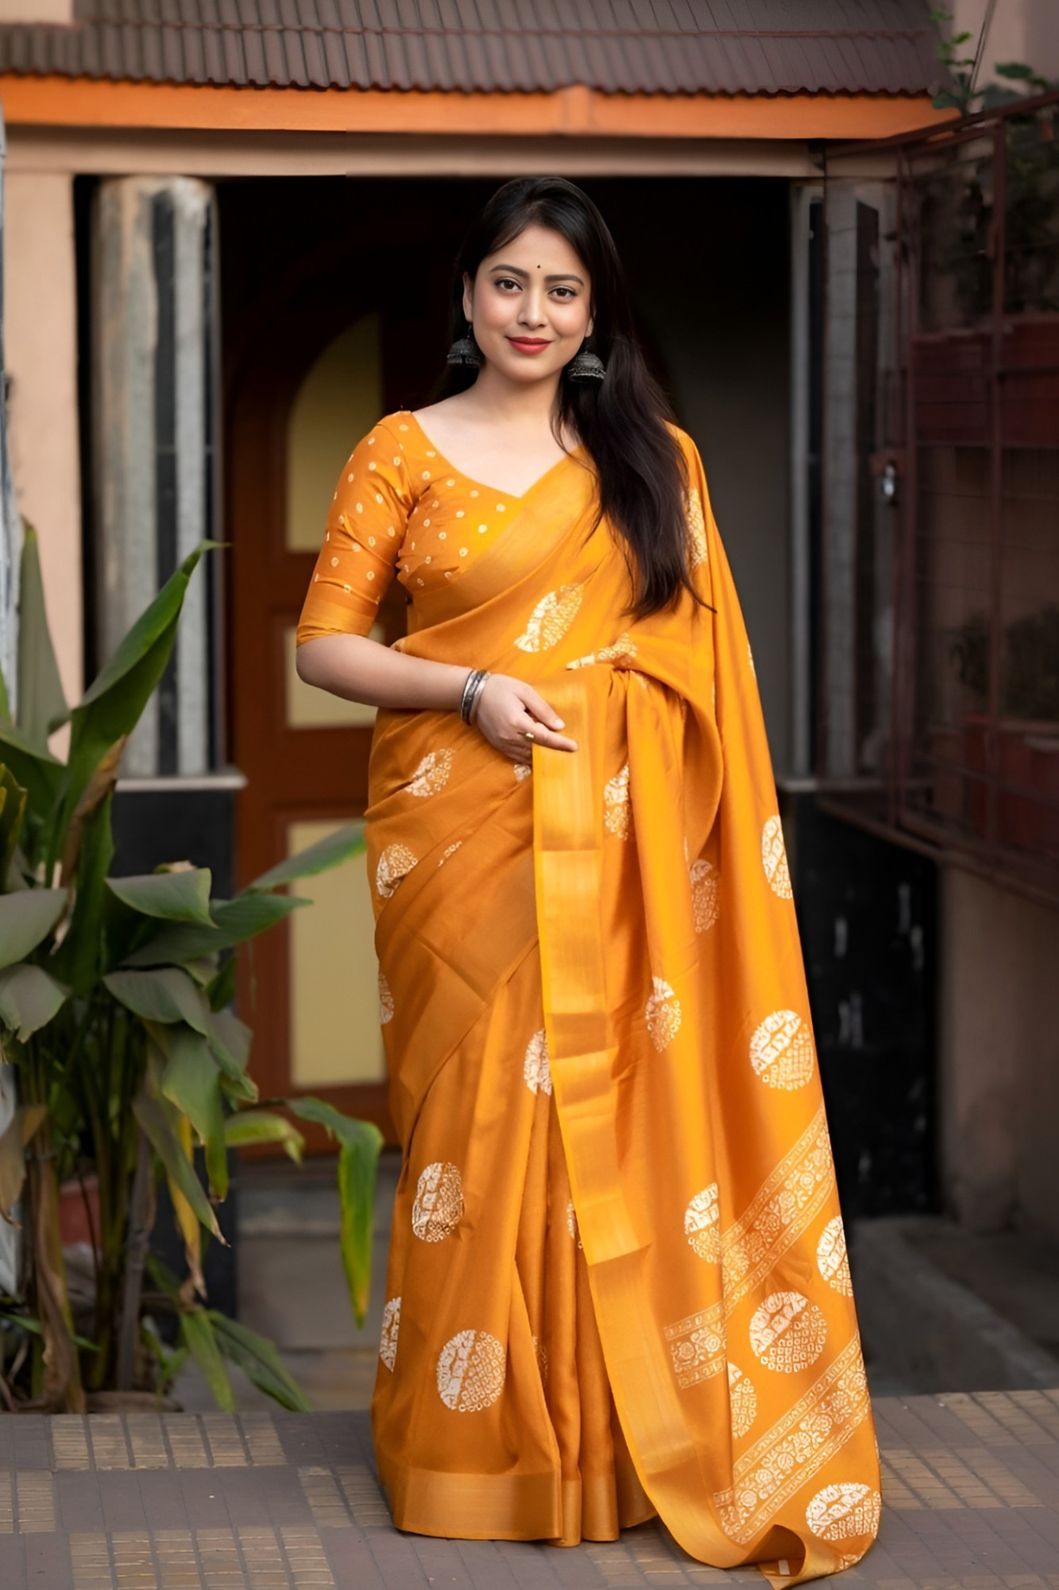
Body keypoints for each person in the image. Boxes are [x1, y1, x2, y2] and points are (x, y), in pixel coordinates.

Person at [295, 177, 882, 1586]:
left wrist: (608, 712)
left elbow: (702, 669)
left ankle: (618, 1448)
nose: (534, 313)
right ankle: (476, 1450)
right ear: (466, 293)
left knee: (605, 1127)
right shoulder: (400, 449)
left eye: (562, 290)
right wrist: (475, 686)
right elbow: (324, 646)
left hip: (624, 854)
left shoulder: (654, 464)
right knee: (476, 1132)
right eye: (509, 283)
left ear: (595, 309)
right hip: (458, 842)